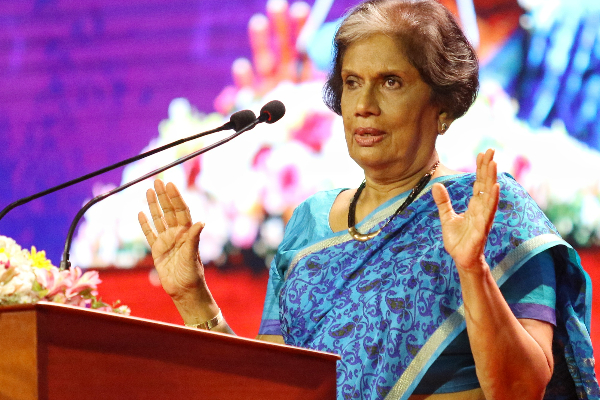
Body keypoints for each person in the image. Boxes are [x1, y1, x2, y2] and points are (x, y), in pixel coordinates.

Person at [138, 0, 599, 399]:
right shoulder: (310, 222)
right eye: (353, 82)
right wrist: (193, 298)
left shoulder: (492, 212)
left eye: (391, 81)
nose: (364, 105)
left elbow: (521, 390)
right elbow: (271, 387)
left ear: (442, 106)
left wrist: (473, 271)